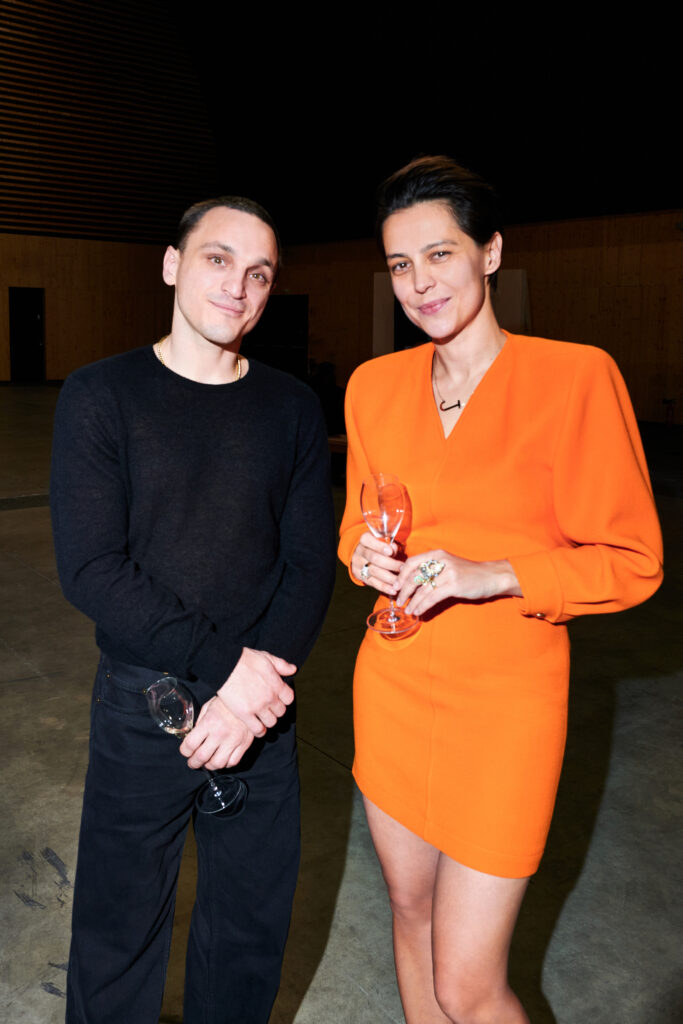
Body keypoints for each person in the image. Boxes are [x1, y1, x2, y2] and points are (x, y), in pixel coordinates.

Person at [338, 156, 663, 1024]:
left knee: (467, 985)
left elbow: (633, 560)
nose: (418, 283)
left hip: (506, 704)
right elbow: (356, 525)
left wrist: (498, 573)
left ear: (489, 252)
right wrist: (362, 558)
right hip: (393, 686)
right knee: (408, 912)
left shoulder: (574, 377)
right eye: (399, 264)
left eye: (439, 254)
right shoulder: (372, 387)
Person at [50, 196, 336, 1024]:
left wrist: (249, 699)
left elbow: (309, 563)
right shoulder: (100, 394)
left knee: (247, 935)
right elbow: (92, 569)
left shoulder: (290, 406)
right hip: (145, 703)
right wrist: (227, 672)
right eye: (218, 259)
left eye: (259, 273)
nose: (237, 286)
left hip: (261, 712)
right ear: (173, 265)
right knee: (117, 936)